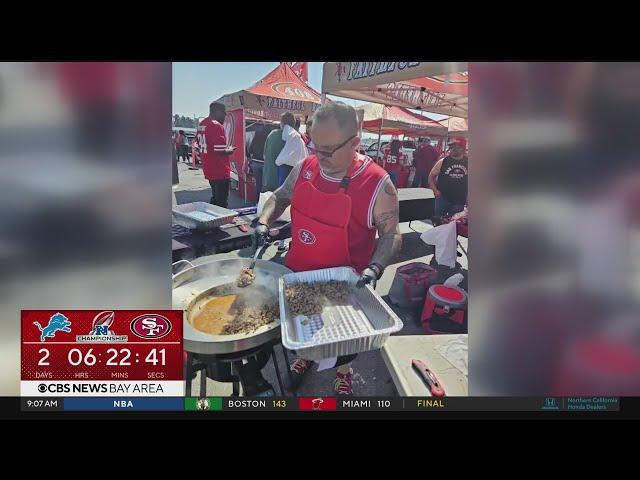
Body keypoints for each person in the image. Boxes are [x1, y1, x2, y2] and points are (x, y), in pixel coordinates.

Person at [255, 102, 402, 395]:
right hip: (298, 275)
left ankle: (343, 371)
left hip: (342, 289)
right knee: (303, 328)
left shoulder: (377, 184)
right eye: (314, 146)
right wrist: (263, 221)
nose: (318, 156)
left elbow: (391, 234)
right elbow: (280, 197)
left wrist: (375, 268)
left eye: (327, 150)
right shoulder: (306, 167)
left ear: (355, 142)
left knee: (342, 344)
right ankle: (305, 358)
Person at [196, 102, 235, 208]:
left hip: (208, 167)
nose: (225, 115)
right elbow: (220, 151)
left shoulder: (202, 124)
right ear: (217, 111)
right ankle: (217, 223)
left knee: (215, 197)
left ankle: (210, 219)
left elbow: (201, 145)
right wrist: (230, 150)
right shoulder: (216, 125)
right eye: (223, 113)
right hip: (219, 169)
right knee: (221, 202)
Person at [428, 139, 468, 218]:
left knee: (454, 225)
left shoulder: (468, 162)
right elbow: (430, 177)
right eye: (451, 147)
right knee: (438, 221)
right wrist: (435, 191)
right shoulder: (443, 161)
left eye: (456, 147)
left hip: (459, 200)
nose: (452, 150)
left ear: (462, 149)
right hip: (442, 198)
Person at [275, 112, 308, 186]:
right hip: (295, 169)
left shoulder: (292, 136)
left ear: (283, 123)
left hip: (287, 169)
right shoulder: (297, 137)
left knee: (283, 193)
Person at [248, 124, 270, 200]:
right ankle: (263, 202)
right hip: (265, 164)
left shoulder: (256, 138)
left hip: (255, 163)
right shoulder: (269, 139)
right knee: (264, 185)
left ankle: (257, 201)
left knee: (258, 184)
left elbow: (250, 150)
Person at [263, 124, 284, 192]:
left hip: (268, 178)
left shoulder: (271, 134)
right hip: (280, 180)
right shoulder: (288, 137)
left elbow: (264, 154)